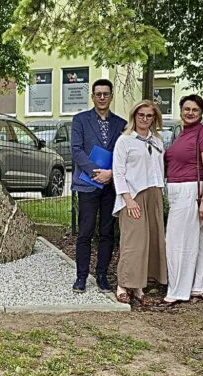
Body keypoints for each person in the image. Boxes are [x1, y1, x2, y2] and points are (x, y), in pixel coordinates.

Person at [70, 79, 126, 293]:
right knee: (85, 232)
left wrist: (110, 174)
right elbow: (76, 151)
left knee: (107, 232)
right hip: (87, 184)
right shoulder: (80, 120)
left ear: (111, 96)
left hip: (111, 185)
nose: (102, 97)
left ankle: (102, 275)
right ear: (92, 96)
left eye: (106, 94)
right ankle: (81, 277)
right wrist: (96, 172)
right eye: (98, 94)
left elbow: (123, 154)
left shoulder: (121, 124)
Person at [161, 94, 203, 306]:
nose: (190, 113)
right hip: (177, 190)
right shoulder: (183, 133)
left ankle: (177, 290)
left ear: (201, 112)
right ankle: (201, 284)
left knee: (177, 241)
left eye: (194, 109)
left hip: (191, 190)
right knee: (196, 238)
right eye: (186, 109)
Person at [111, 100, 167, 306]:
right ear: (134, 116)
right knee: (133, 243)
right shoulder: (124, 141)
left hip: (153, 193)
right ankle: (123, 284)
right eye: (141, 115)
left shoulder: (158, 142)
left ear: (154, 119)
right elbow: (118, 172)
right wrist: (128, 199)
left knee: (149, 242)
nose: (144, 119)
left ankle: (139, 286)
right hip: (133, 196)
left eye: (149, 116)